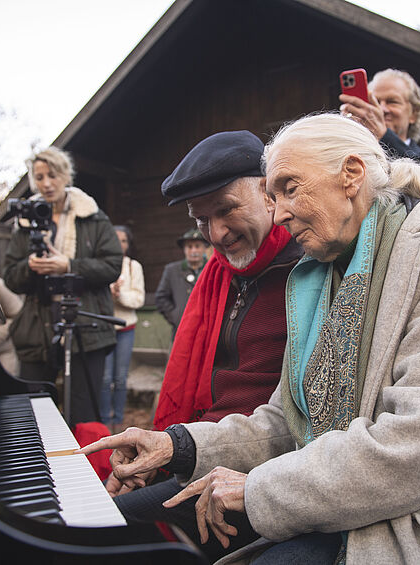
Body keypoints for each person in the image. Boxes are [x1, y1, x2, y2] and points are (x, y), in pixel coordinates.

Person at [82, 113, 420, 563]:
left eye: (289, 189)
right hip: (362, 503)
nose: (280, 213)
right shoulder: (324, 275)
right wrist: (177, 446)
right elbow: (288, 420)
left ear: (351, 175)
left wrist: (256, 489)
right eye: (273, 194)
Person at [110, 130, 304, 562]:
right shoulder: (223, 276)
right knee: (102, 521)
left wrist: (178, 448)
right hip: (199, 448)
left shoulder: (308, 271)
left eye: (227, 210)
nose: (215, 235)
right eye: (200, 220)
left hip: (260, 469)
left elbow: (294, 423)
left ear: (268, 192)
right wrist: (165, 447)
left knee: (111, 531)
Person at [3, 146, 122, 427]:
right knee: (35, 410)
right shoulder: (24, 220)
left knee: (83, 412)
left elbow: (112, 265)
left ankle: (86, 467)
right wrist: (30, 267)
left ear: (66, 175)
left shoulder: (92, 216)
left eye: (52, 175)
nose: (46, 183)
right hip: (37, 326)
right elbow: (10, 276)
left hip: (84, 324)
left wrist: (69, 266)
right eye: (39, 176)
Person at [338, 68, 420, 201]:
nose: (382, 109)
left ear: (414, 114)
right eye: (376, 102)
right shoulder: (351, 157)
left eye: (392, 101)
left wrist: (384, 136)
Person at [103, 225, 145, 434]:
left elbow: (139, 298)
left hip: (126, 329)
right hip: (105, 328)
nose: (120, 244)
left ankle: (117, 419)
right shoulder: (101, 265)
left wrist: (119, 296)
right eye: (115, 239)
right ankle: (103, 420)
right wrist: (108, 293)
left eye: (124, 240)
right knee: (104, 378)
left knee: (120, 377)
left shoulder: (133, 267)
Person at [154, 227, 211, 342]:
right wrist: (175, 316)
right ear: (184, 250)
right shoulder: (172, 270)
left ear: (205, 248)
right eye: (189, 247)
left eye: (197, 246)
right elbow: (161, 298)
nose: (193, 251)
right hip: (181, 331)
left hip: (208, 331)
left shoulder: (212, 269)